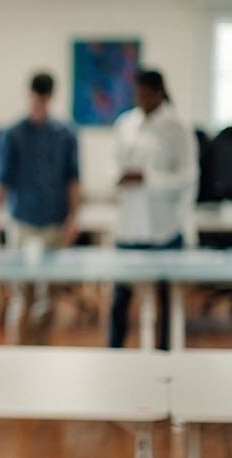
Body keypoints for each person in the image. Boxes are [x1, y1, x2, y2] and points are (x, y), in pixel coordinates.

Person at [109, 69, 198, 350]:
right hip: (129, 226)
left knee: (165, 301)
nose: (141, 100)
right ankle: (115, 351)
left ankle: (164, 356)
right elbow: (113, 165)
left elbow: (188, 177)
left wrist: (148, 178)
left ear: (159, 93)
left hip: (164, 228)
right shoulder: (126, 124)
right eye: (137, 94)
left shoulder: (178, 127)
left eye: (146, 94)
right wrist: (121, 177)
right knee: (120, 297)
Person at [0, 72, 80, 344]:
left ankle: (42, 352)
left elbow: (73, 179)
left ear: (51, 97)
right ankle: (19, 351)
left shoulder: (65, 134)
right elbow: (0, 181)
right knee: (22, 294)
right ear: (30, 95)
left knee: (49, 297)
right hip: (23, 222)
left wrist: (74, 218)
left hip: (54, 221)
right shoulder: (12, 133)